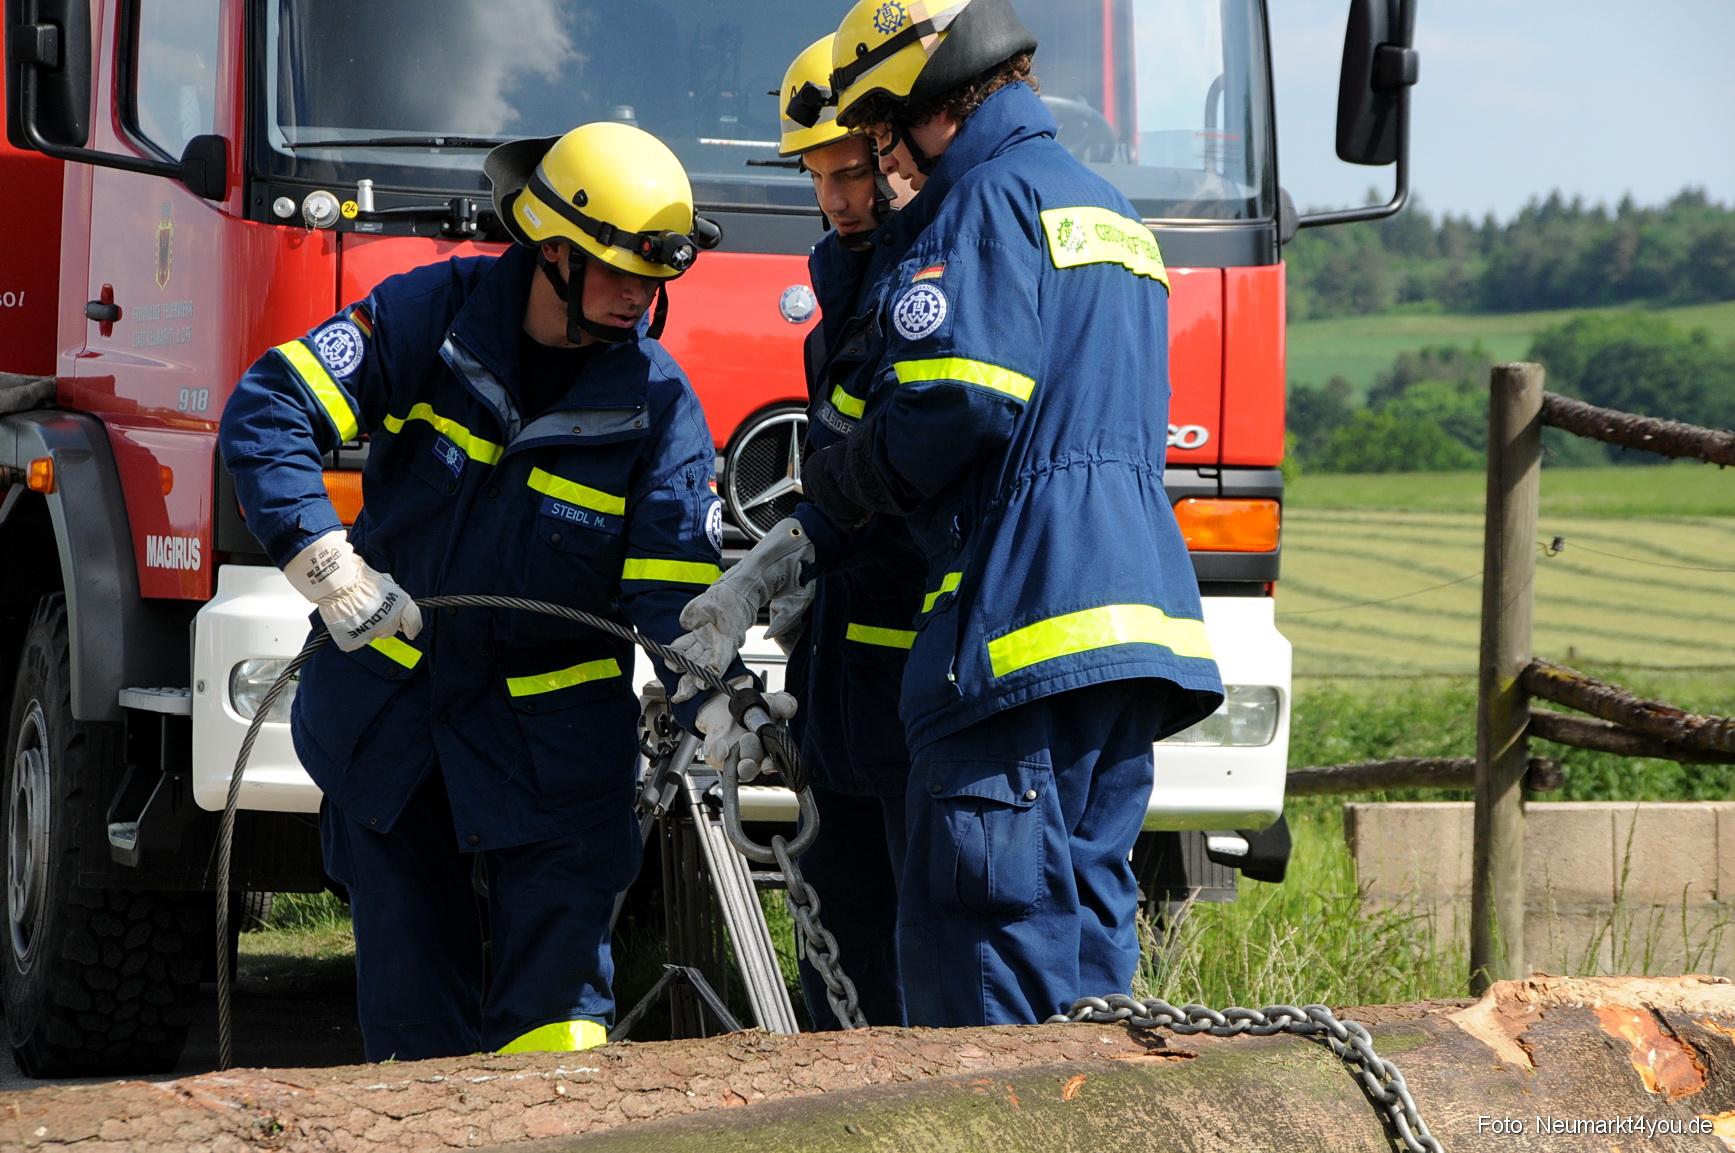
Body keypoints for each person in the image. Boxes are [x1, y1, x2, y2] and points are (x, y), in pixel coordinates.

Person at [677, 0, 1225, 1028]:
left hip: (1016, 630)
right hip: (1128, 630)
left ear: (912, 107)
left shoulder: (984, 200)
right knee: (1087, 945)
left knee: (982, 955)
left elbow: (954, 400)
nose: (874, 173)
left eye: (875, 136)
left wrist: (811, 519)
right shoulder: (1106, 210)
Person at [218, 122, 755, 1061]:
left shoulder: (657, 406)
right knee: (414, 1032)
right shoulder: (435, 315)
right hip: (394, 736)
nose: (640, 295)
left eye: (655, 277)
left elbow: (674, 584)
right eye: (617, 269)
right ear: (550, 249)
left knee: (555, 1030)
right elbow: (270, 409)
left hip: (552, 765)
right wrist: (328, 567)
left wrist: (707, 687)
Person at [730, 35, 927, 1029]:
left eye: (852, 172)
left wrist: (803, 546)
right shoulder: (841, 295)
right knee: (839, 953)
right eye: (818, 178)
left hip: (920, 676)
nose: (840, 200)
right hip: (840, 676)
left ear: (896, 152)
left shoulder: (933, 277)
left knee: (922, 961)